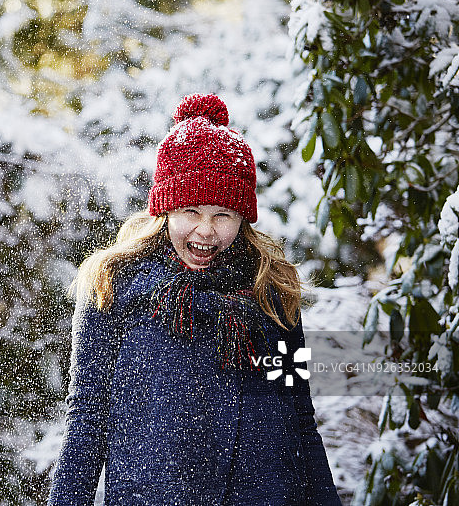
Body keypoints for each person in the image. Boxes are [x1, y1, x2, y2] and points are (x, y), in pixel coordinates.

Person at [47, 94, 342, 505]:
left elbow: (299, 417)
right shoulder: (114, 288)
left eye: (223, 214)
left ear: (243, 216)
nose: (205, 231)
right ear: (165, 209)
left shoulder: (270, 291)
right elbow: (87, 417)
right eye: (190, 211)